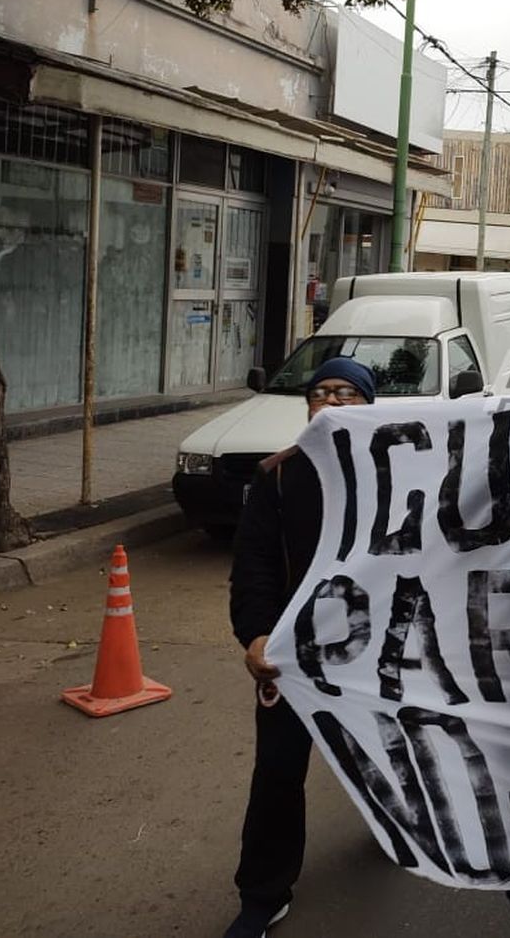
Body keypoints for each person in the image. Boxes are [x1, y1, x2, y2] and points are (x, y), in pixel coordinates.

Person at [225, 359, 377, 938]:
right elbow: (254, 565)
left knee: (384, 760)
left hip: (379, 656)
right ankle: (263, 895)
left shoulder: (407, 472)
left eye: (347, 393)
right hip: (296, 659)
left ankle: (394, 830)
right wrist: (256, 634)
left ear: (369, 406)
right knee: (278, 772)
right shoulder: (279, 478)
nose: (332, 402)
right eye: (320, 393)